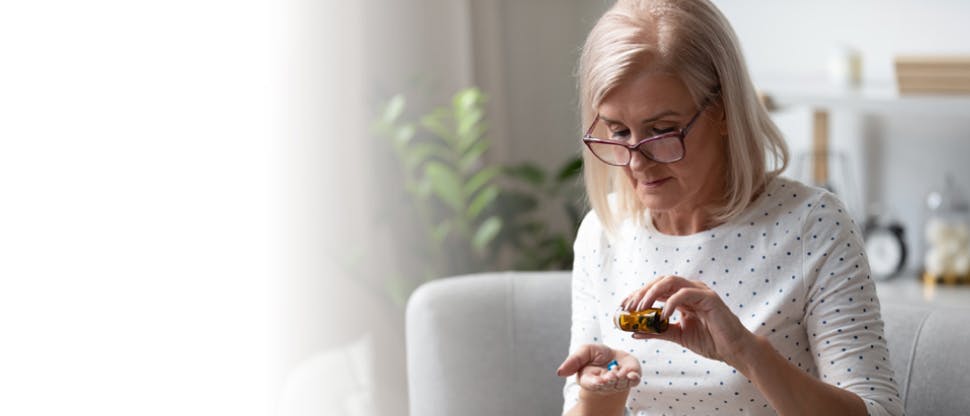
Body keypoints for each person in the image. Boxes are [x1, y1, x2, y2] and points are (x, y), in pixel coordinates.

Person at [554, 1, 903, 415]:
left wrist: (744, 351)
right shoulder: (602, 233)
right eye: (617, 131)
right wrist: (602, 394)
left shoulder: (813, 227)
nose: (636, 161)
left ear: (722, 110)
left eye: (662, 130)